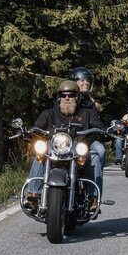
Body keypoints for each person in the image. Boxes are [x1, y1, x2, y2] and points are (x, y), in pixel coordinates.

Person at [25, 79, 109, 212]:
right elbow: (36, 128)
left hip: (78, 151)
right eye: (63, 95)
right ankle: (33, 195)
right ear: (59, 98)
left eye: (71, 95)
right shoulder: (49, 114)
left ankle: (93, 198)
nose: (67, 98)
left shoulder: (87, 113)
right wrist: (28, 131)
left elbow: (98, 126)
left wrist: (105, 130)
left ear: (77, 97)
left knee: (95, 158)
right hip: (53, 150)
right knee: (39, 153)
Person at [69, 66, 107, 193]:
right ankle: (36, 192)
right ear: (74, 81)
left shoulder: (91, 104)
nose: (86, 83)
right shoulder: (64, 99)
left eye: (88, 80)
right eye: (82, 80)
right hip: (67, 140)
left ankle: (94, 196)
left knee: (100, 151)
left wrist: (105, 130)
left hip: (87, 140)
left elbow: (96, 122)